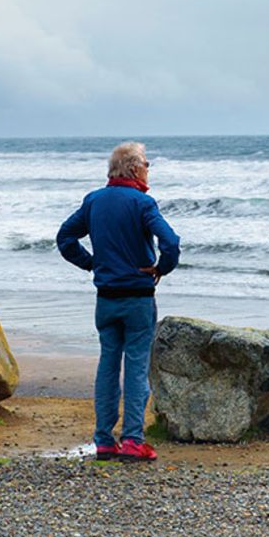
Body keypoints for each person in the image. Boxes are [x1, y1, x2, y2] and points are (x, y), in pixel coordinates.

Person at [56, 141, 180, 462]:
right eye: (146, 164)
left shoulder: (94, 201)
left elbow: (65, 238)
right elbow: (170, 241)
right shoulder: (143, 203)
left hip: (106, 298)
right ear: (135, 168)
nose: (148, 169)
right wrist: (162, 268)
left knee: (108, 365)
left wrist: (91, 263)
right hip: (138, 298)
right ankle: (133, 440)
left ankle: (103, 440)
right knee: (137, 367)